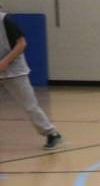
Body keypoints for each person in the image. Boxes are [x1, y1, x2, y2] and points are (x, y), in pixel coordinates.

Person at [0, 10, 62, 149]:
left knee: (29, 105)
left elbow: (21, 43)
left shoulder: (6, 20)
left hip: (14, 71)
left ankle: (51, 133)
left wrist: (5, 62)